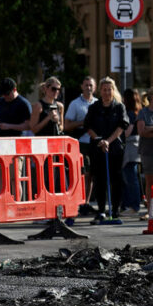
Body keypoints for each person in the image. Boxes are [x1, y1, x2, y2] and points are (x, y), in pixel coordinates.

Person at [84, 77, 129, 223]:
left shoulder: (119, 107)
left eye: (110, 89)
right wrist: (99, 140)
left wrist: (108, 141)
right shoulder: (94, 107)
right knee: (99, 180)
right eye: (104, 89)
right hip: (97, 148)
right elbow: (88, 126)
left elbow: (122, 126)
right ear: (100, 91)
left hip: (114, 148)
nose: (107, 92)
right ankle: (101, 210)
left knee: (116, 180)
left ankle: (115, 210)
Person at [63, 76, 97, 211]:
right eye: (86, 85)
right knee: (83, 173)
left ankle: (86, 203)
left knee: (91, 174)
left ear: (94, 88)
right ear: (82, 86)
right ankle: (79, 202)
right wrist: (84, 122)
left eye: (91, 85)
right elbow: (66, 125)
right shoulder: (75, 104)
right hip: (81, 142)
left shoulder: (98, 103)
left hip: (94, 142)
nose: (88, 88)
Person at [136, 86, 153, 219]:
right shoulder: (143, 112)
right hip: (147, 150)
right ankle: (150, 209)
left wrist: (151, 129)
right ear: (152, 97)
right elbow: (142, 132)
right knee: (150, 180)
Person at [120, 88, 142, 215]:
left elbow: (127, 132)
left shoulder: (129, 114)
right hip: (136, 146)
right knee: (132, 177)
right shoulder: (137, 112)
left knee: (130, 177)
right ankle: (131, 204)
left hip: (130, 147)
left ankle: (133, 205)